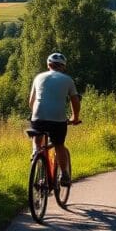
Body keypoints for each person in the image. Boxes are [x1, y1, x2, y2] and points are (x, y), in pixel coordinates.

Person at [29, 52, 82, 187]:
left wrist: (36, 115)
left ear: (48, 65)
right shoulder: (68, 80)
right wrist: (75, 117)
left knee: (37, 138)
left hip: (38, 116)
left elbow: (31, 101)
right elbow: (75, 100)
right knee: (59, 145)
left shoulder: (38, 77)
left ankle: (35, 152)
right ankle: (64, 174)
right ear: (63, 67)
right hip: (57, 119)